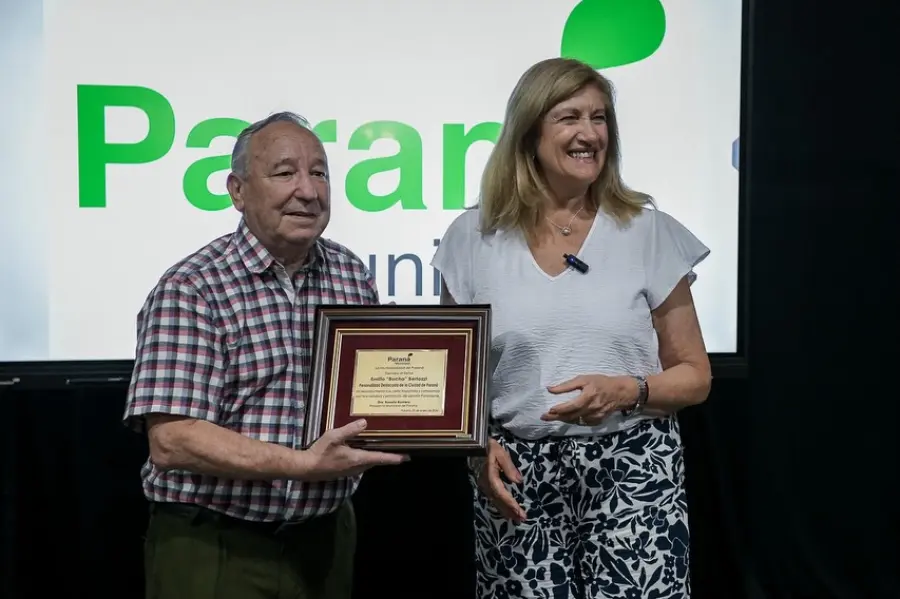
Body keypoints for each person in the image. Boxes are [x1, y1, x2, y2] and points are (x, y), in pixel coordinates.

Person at [431, 58, 712, 598]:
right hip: (516, 478)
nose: (590, 134)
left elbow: (695, 376)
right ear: (530, 131)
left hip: (632, 468)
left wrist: (629, 390)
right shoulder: (471, 238)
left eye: (600, 118)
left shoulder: (648, 231)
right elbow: (453, 385)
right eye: (570, 117)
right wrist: (475, 447)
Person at [122, 112, 407, 599]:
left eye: (319, 173)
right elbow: (172, 440)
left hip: (324, 540)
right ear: (238, 191)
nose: (308, 190)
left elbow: (373, 392)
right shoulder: (192, 288)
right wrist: (302, 464)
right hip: (216, 543)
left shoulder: (349, 274)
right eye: (284, 173)